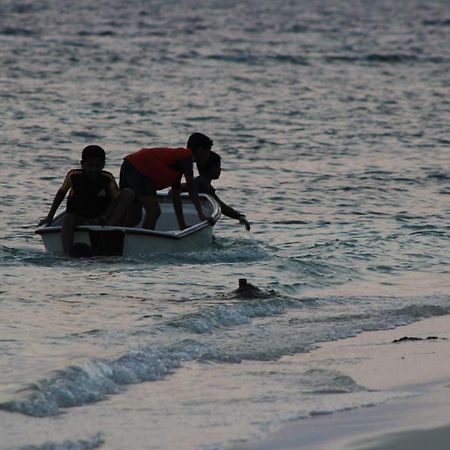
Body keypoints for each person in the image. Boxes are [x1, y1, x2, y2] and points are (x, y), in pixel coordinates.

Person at [38, 145, 134, 256]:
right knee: (68, 218)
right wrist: (50, 217)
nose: (94, 169)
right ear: (82, 164)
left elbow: (117, 199)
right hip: (80, 217)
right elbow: (61, 194)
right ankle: (67, 254)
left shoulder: (107, 178)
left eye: (98, 166)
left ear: (103, 165)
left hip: (101, 218)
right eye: (90, 166)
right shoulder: (73, 176)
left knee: (128, 193)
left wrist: (113, 218)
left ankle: (109, 229)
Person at [119, 132, 215, 230]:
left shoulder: (178, 164)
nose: (208, 156)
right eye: (208, 151)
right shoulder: (186, 156)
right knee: (154, 211)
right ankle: (145, 241)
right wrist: (201, 215)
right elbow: (191, 187)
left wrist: (182, 225)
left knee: (135, 218)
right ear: (199, 150)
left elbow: (176, 197)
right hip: (137, 169)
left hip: (128, 165)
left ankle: (115, 233)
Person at [181, 151, 251, 230]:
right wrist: (239, 216)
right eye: (219, 166)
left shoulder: (200, 181)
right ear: (212, 168)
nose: (220, 169)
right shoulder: (203, 183)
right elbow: (220, 205)